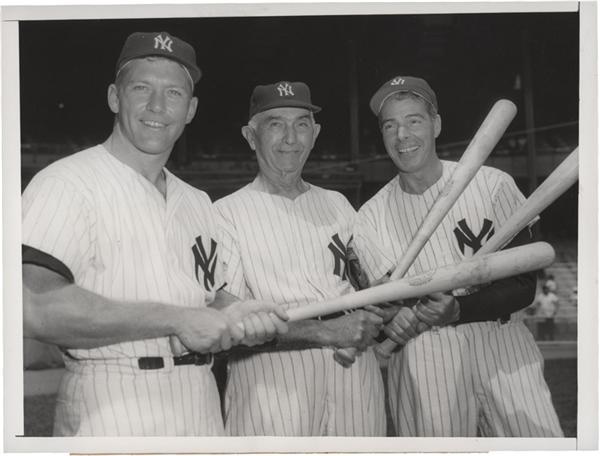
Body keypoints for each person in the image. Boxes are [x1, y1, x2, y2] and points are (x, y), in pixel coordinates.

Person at [21, 31, 287, 436]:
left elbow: (206, 299)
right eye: (142, 88)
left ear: (191, 108)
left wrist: (239, 313)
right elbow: (35, 307)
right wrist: (177, 319)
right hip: (111, 401)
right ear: (114, 97)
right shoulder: (66, 182)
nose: (157, 107)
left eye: (174, 93)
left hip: (199, 403)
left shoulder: (196, 201)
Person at [356, 75, 563, 437]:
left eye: (414, 120)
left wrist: (459, 310)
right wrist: (393, 316)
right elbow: (387, 304)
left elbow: (524, 285)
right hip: (424, 357)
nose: (402, 135)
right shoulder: (369, 218)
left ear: (436, 124)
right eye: (391, 125)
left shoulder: (492, 184)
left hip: (505, 346)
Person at [214, 81, 390, 436]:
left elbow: (380, 285)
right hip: (272, 384)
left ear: (315, 133)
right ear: (251, 136)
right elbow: (228, 320)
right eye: (276, 123)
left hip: (354, 374)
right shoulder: (224, 214)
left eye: (301, 124)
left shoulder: (339, 204)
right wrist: (327, 332)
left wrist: (386, 311)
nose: (291, 138)